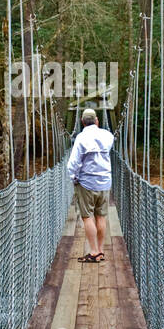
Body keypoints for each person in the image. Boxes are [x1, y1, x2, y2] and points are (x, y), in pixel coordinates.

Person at [67, 108, 114, 263]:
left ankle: (93, 252)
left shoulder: (81, 138)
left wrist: (74, 178)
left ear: (82, 122)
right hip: (105, 183)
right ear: (97, 121)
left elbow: (73, 163)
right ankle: (100, 250)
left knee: (88, 217)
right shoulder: (108, 136)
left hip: (86, 183)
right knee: (101, 216)